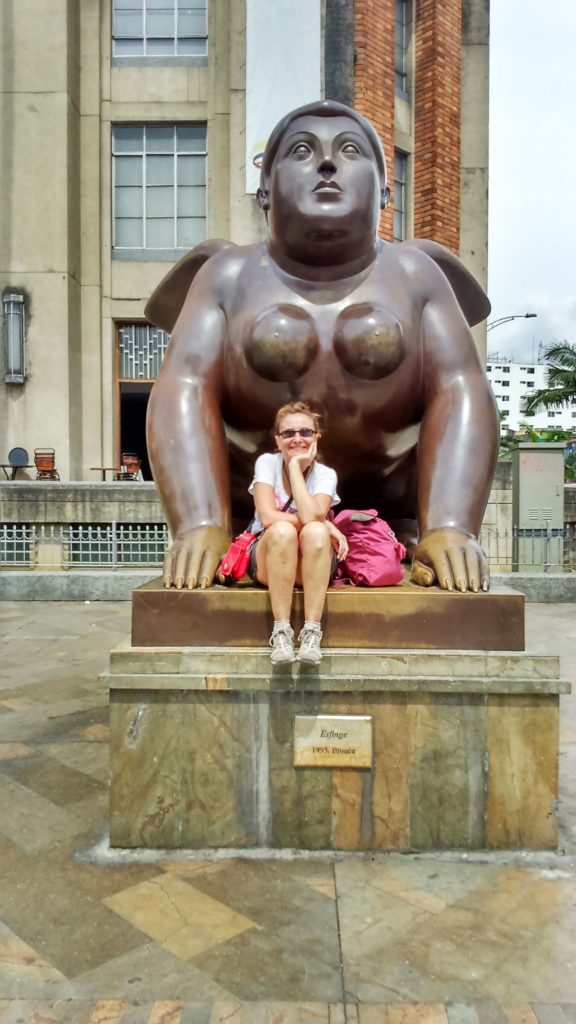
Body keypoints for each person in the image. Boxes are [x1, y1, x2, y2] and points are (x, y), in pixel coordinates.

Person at [146, 100, 499, 596]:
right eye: (302, 150)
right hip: (265, 516)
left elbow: (461, 390)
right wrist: (199, 519)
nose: (327, 164)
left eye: (350, 150)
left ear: (383, 190)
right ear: (265, 188)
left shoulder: (418, 275)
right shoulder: (226, 276)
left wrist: (450, 523)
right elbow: (182, 387)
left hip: (391, 509)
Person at [246, 401, 347, 664]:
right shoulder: (267, 463)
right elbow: (267, 517)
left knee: (314, 531)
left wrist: (295, 469)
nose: (297, 439)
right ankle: (281, 632)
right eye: (288, 433)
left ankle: (312, 632)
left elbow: (313, 517)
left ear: (316, 437)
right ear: (277, 440)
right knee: (282, 530)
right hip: (271, 557)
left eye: (305, 432)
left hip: (311, 561)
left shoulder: (326, 474)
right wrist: (325, 523)